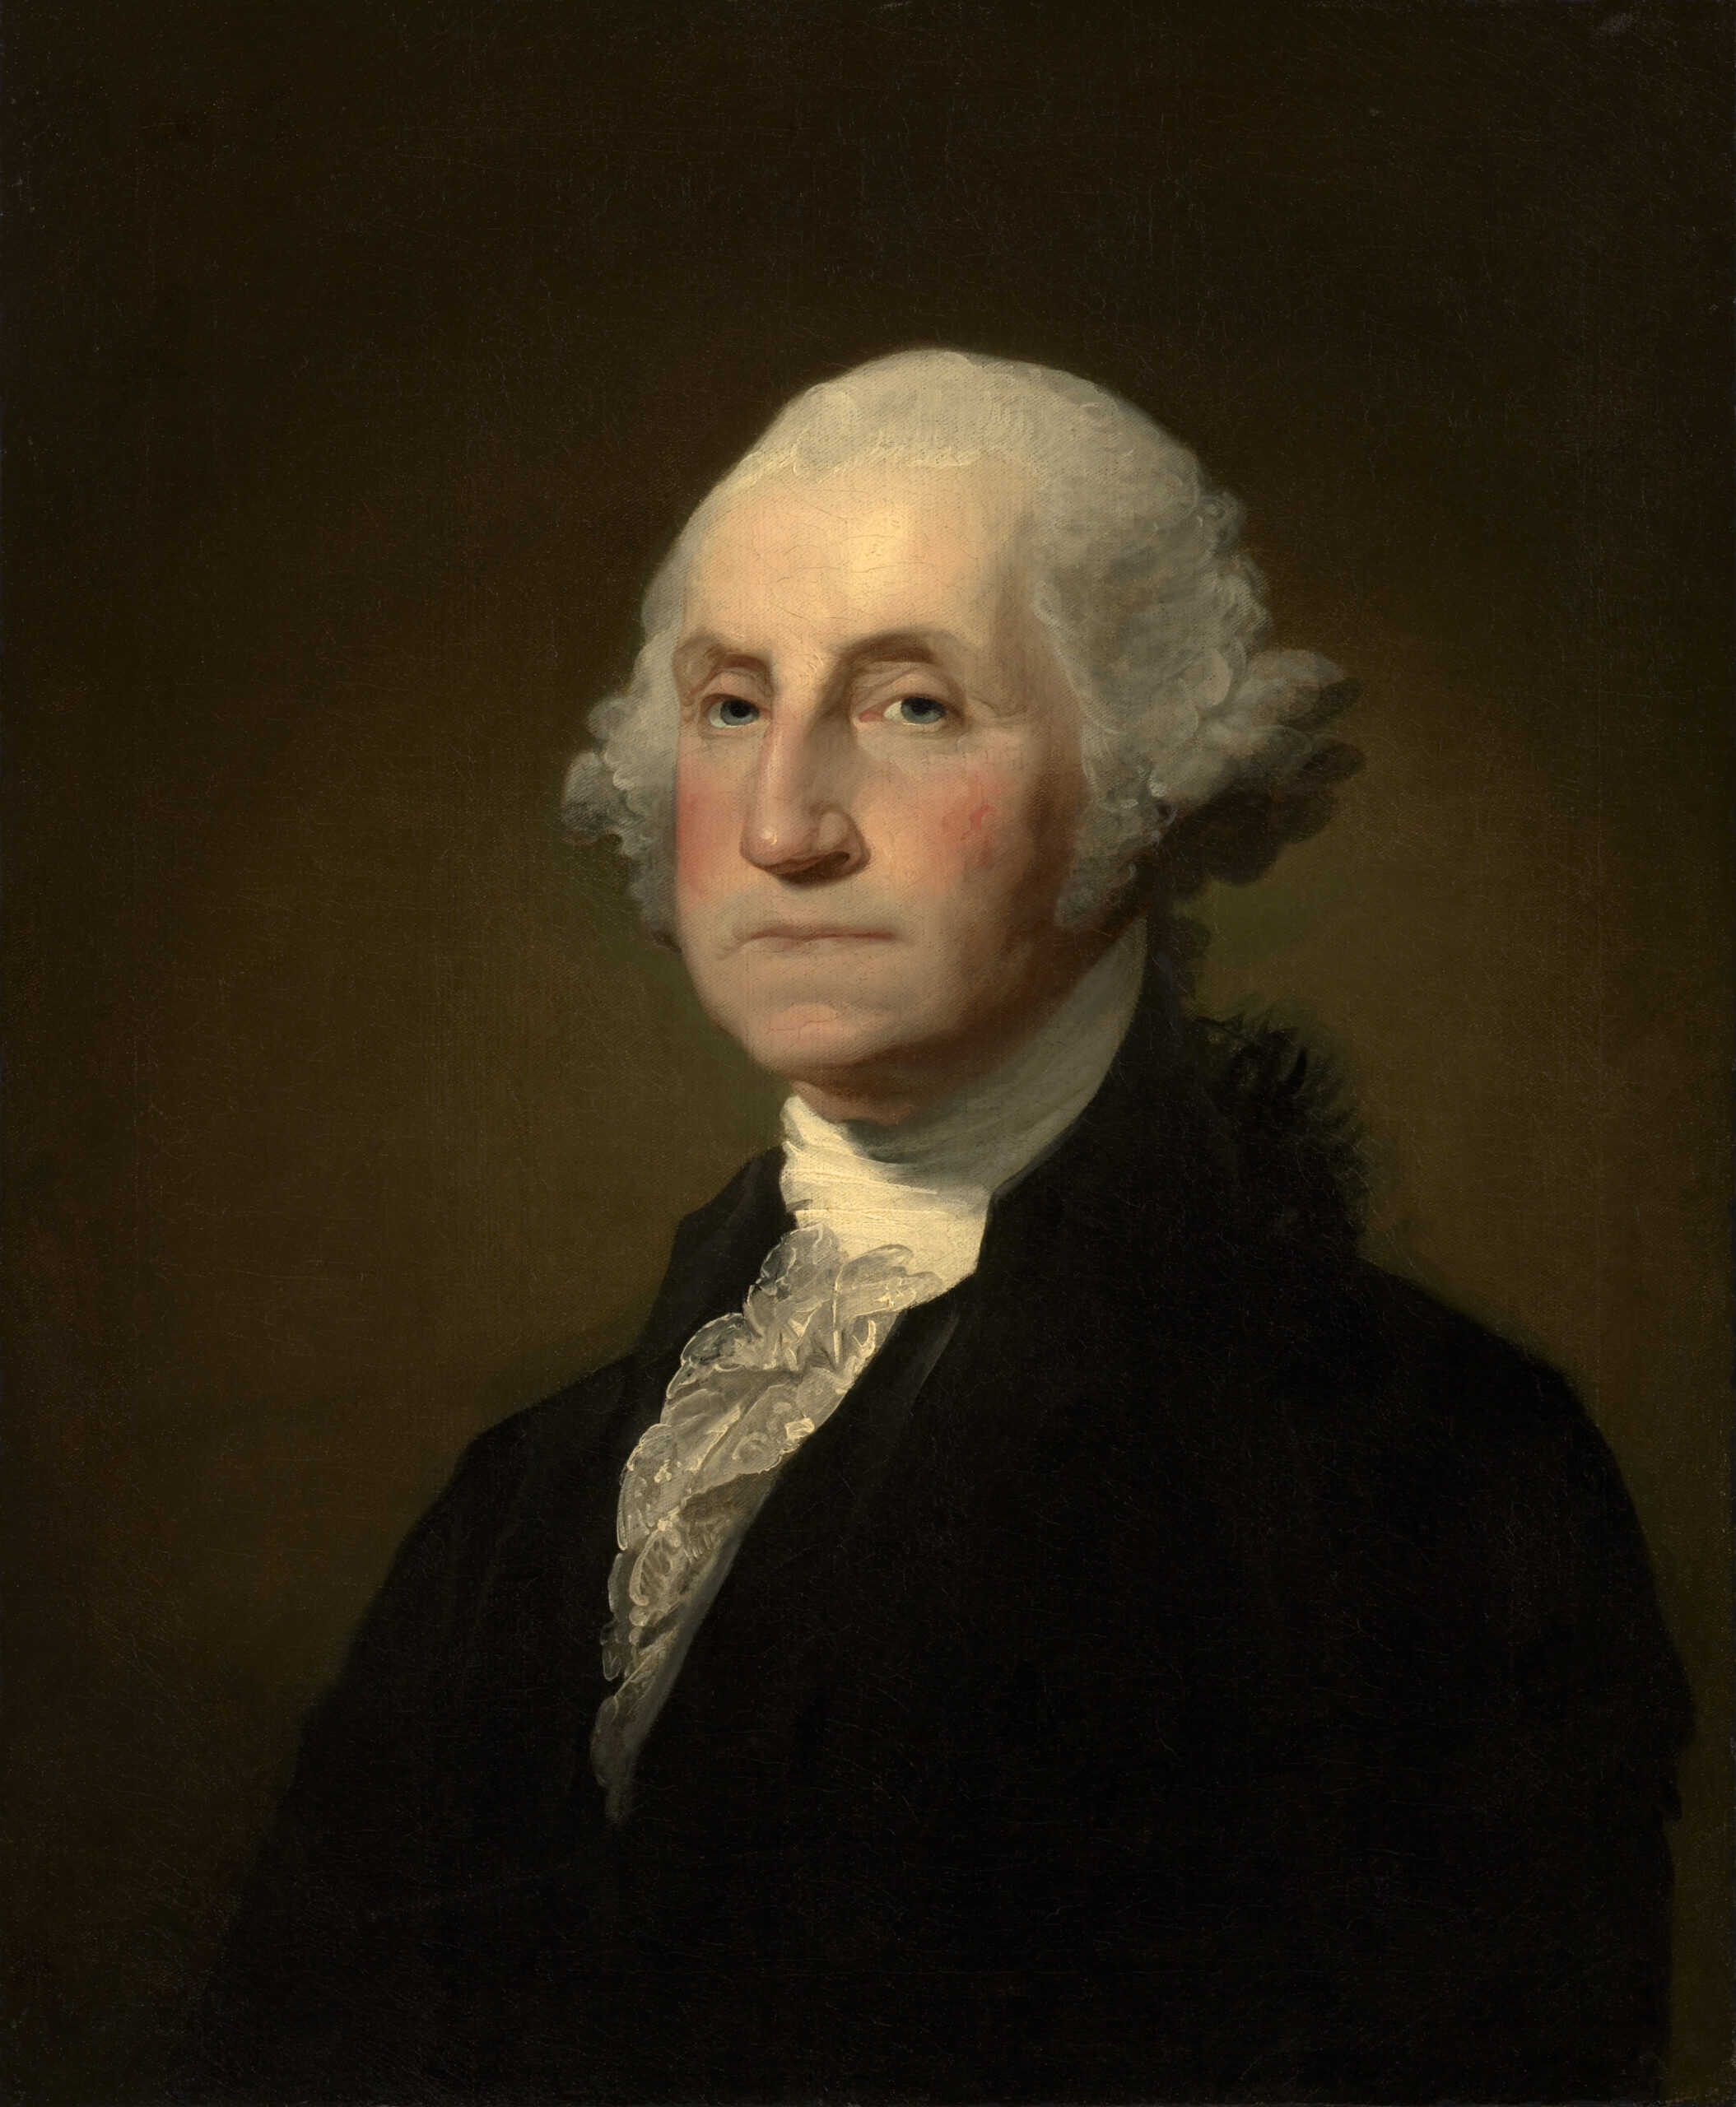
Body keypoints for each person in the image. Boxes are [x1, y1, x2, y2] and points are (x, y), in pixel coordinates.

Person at [183, 351, 1692, 2102]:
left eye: (910, 706)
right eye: (731, 704)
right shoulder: (522, 1499)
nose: (782, 824)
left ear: (1143, 774)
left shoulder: (1431, 1470)